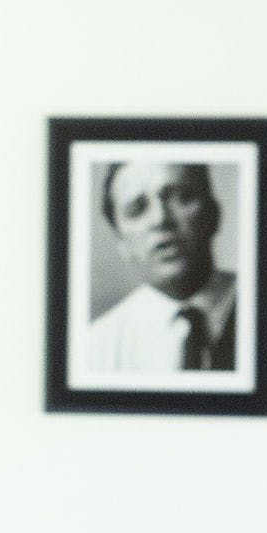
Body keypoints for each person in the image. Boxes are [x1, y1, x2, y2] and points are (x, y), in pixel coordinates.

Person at [82, 156, 238, 375]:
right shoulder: (95, 349)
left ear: (214, 213)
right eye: (137, 209)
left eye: (182, 197)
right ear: (121, 242)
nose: (160, 219)